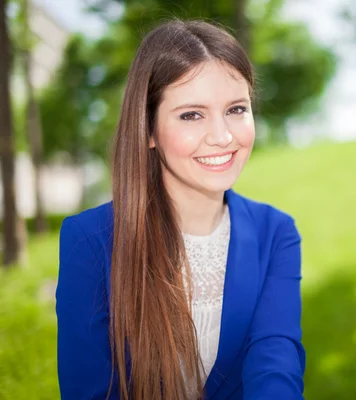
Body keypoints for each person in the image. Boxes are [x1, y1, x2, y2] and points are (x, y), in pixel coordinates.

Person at [55, 20, 305, 400]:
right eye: (192, 114)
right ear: (149, 130)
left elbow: (275, 365)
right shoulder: (88, 241)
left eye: (237, 109)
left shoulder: (276, 233)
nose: (223, 136)